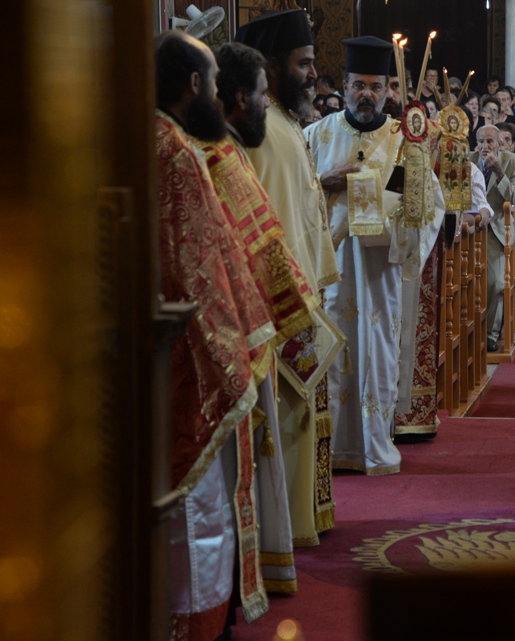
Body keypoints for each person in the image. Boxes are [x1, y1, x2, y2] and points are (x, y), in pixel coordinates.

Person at [155, 30, 274, 638]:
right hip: (186, 357)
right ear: (196, 84)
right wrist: (237, 356)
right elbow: (204, 269)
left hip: (155, 355)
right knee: (195, 512)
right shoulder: (176, 151)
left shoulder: (151, 139)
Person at [204, 41, 323, 597]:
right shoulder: (222, 153)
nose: (265, 103)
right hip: (249, 321)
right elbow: (254, 242)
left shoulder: (244, 141)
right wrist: (296, 306)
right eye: (259, 93)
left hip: (265, 311)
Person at [304, 35, 445, 475]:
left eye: (375, 86)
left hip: (381, 270)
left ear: (388, 91)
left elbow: (429, 207)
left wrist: (396, 230)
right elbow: (292, 196)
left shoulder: (405, 142)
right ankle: (330, 446)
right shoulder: (316, 136)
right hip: (331, 270)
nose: (366, 94)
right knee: (331, 352)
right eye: (358, 85)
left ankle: (374, 444)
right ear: (344, 87)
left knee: (378, 354)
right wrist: (324, 184)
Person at [236, 8, 341, 546]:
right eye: (303, 64)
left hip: (302, 294)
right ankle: (284, 530)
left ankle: (303, 520)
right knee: (284, 417)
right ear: (272, 67)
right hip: (278, 301)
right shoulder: (258, 132)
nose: (313, 75)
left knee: (302, 413)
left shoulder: (285, 124)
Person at [469, 124, 515, 352]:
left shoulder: (512, 161)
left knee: (496, 282)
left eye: (490, 142)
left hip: (497, 228)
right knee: (469, 280)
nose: (485, 146)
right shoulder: (468, 160)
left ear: (499, 144)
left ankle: (490, 333)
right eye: (481, 141)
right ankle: (469, 329)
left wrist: (500, 173)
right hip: (471, 226)